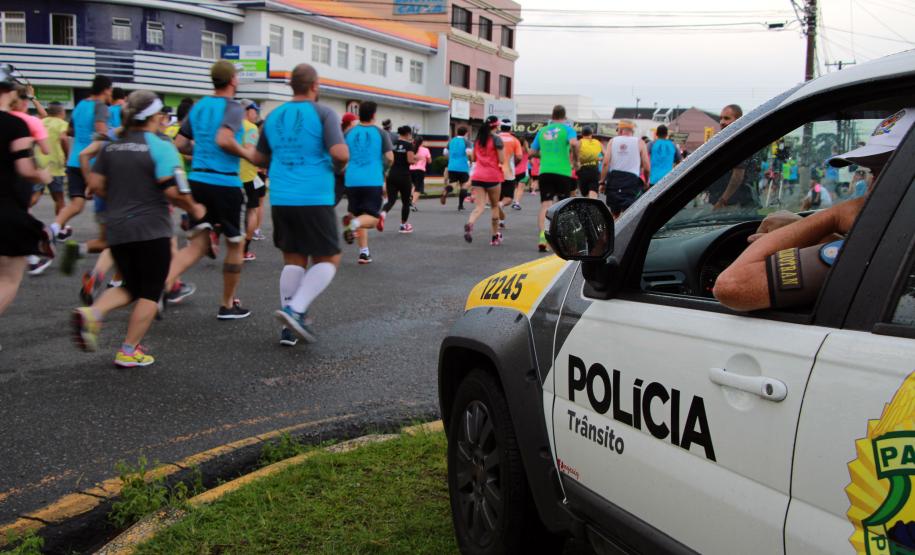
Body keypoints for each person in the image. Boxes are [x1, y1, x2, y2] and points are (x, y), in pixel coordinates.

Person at [714, 107, 914, 312]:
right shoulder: (897, 246)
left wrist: (835, 216)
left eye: (890, 172)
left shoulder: (887, 252)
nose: (872, 188)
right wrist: (806, 230)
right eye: (873, 173)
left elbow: (732, 285)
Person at [71, 91, 205, 367]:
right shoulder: (161, 147)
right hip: (150, 229)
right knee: (151, 291)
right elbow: (174, 191)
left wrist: (120, 198)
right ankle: (129, 350)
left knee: (131, 286)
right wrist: (194, 209)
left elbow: (94, 186)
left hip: (117, 228)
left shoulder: (111, 147)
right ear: (155, 117)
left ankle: (93, 313)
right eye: (162, 115)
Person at [251, 63, 348, 345]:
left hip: (282, 196)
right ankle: (295, 310)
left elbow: (259, 158)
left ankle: (289, 328)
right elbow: (340, 152)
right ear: (315, 86)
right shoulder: (323, 113)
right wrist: (338, 167)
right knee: (329, 258)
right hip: (313, 195)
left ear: (292, 86)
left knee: (293, 259)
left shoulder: (274, 115)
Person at [172, 60, 258, 320]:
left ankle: (159, 289)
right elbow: (224, 139)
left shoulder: (198, 106)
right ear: (232, 80)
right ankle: (227, 304)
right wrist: (246, 154)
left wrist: (201, 150)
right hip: (225, 182)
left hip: (198, 180)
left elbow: (180, 143)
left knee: (195, 246)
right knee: (235, 244)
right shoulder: (233, 107)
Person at [0, 70, 53, 341]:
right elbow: (25, 168)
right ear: (8, 92)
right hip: (6, 209)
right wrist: (42, 175)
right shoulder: (15, 124)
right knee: (8, 279)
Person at [51, 75, 112, 242]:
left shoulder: (80, 105)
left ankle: (54, 228)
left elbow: (70, 131)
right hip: (94, 163)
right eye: (110, 89)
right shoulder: (101, 106)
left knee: (76, 204)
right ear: (106, 89)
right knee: (110, 198)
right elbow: (101, 132)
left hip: (74, 161)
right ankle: (109, 238)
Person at [341, 100, 392, 265]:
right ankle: (353, 224)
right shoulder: (381, 133)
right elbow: (390, 157)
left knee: (360, 215)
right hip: (372, 179)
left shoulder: (349, 133)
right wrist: (383, 170)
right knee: (373, 219)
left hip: (351, 180)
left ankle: (364, 252)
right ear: (374, 115)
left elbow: (342, 155)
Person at [530, 105, 579, 252]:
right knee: (563, 205)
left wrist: (544, 155)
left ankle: (542, 237)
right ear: (565, 117)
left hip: (545, 171)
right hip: (562, 171)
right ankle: (565, 240)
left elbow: (531, 152)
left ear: (552, 116)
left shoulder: (542, 131)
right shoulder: (568, 129)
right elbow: (574, 143)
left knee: (546, 204)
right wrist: (576, 160)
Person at [464, 115, 505, 245]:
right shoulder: (497, 139)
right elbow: (502, 160)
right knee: (494, 206)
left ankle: (470, 223)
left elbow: (474, 158)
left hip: (478, 176)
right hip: (492, 176)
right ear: (496, 126)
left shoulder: (478, 140)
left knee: (479, 207)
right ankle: (494, 237)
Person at [708, 104, 757, 209]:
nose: (722, 122)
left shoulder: (740, 141)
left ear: (739, 120)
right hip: (729, 202)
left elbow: (737, 176)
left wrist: (722, 201)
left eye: (726, 118)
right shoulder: (727, 141)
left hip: (735, 204)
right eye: (721, 118)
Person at [599, 120, 649, 218]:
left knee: (614, 213)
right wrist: (646, 181)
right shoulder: (640, 142)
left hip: (614, 178)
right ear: (632, 131)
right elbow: (646, 166)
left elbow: (605, 163)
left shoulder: (612, 141)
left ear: (621, 130)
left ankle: (614, 226)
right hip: (631, 180)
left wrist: (602, 182)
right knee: (629, 212)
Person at [238, 99, 263, 262]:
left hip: (229, 175)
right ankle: (244, 249)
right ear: (247, 110)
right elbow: (250, 150)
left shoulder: (230, 125)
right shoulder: (251, 127)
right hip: (247, 175)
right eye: (255, 110)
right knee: (252, 210)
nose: (257, 114)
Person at [35, 101, 69, 217]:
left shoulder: (41, 122)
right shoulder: (62, 124)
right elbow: (63, 138)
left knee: (36, 193)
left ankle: (23, 213)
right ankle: (60, 224)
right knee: (59, 197)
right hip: (55, 164)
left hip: (39, 163)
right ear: (61, 112)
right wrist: (67, 155)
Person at [381, 125, 416, 233]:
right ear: (408, 134)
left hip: (392, 174)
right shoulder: (409, 145)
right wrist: (417, 159)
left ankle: (382, 214)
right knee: (405, 202)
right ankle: (403, 225)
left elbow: (388, 158)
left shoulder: (393, 143)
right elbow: (410, 160)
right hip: (404, 176)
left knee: (391, 200)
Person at [496, 119, 523, 228]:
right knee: (508, 198)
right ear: (510, 128)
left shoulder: (494, 138)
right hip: (508, 172)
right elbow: (519, 157)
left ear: (500, 127)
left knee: (498, 197)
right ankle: (501, 205)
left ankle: (500, 221)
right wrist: (514, 164)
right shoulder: (514, 140)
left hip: (494, 172)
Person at [443, 126, 472, 209]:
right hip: (463, 166)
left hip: (452, 166)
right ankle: (460, 205)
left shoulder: (451, 141)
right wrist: (471, 161)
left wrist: (451, 159)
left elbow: (445, 152)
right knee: (464, 186)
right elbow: (468, 153)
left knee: (452, 183)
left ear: (457, 132)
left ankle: (446, 191)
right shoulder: (467, 142)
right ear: (466, 133)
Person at [336, 111, 358, 207]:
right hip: (342, 172)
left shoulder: (341, 133)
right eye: (355, 122)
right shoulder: (346, 135)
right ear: (351, 123)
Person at [577, 126, 602, 199]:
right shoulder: (597, 142)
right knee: (593, 191)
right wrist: (598, 159)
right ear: (591, 134)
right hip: (594, 169)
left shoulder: (580, 142)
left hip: (583, 169)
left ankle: (588, 203)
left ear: (582, 134)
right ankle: (592, 203)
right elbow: (605, 154)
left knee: (585, 193)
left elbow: (573, 155)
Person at [409, 135, 431, 210]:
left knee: (414, 185)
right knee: (418, 187)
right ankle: (413, 203)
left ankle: (411, 197)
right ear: (422, 142)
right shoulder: (425, 150)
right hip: (420, 170)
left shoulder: (411, 149)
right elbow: (429, 161)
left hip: (410, 169)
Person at [511, 132, 530, 210]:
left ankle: (515, 201)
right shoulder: (525, 149)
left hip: (514, 170)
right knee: (521, 188)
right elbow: (530, 153)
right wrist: (526, 145)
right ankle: (517, 203)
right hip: (523, 171)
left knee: (516, 187)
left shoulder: (515, 149)